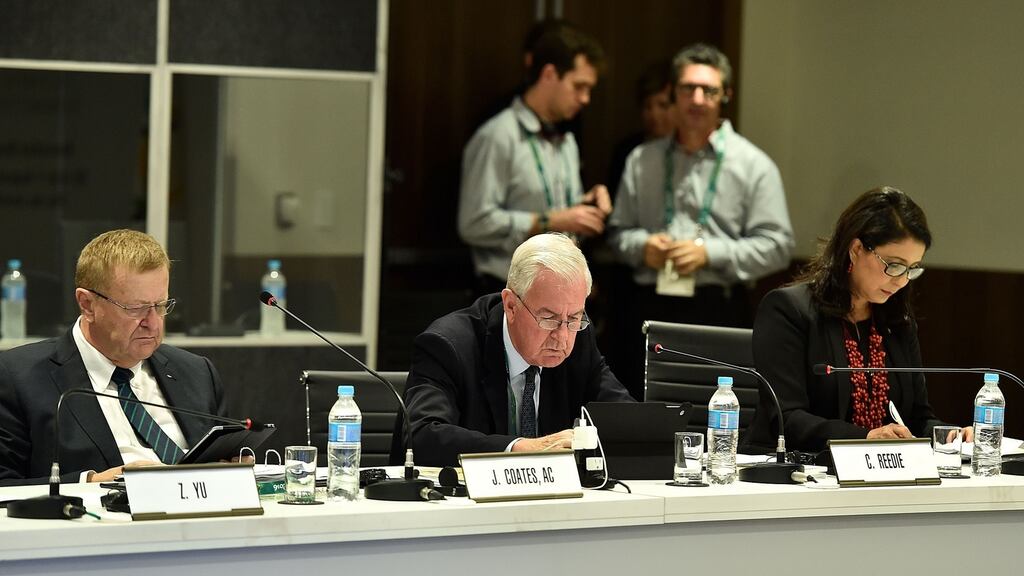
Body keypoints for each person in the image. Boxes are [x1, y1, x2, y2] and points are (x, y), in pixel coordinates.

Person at [606, 43, 793, 393]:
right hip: (647, 306)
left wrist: (709, 253)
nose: (697, 99)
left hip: (717, 307)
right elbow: (616, 234)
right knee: (641, 413)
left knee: (715, 415)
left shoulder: (754, 165)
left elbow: (778, 246)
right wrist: (642, 247)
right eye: (687, 88)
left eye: (708, 90)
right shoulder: (641, 159)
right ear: (673, 93)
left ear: (725, 95)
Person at [744, 187, 971, 453]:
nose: (901, 280)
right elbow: (786, 418)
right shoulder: (789, 310)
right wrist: (866, 438)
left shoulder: (898, 322)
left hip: (879, 473)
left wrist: (952, 437)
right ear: (856, 249)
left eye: (912, 269)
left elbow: (917, 419)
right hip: (794, 472)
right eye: (894, 265)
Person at [0, 229, 227, 485]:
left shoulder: (196, 373)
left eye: (161, 306)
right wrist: (90, 482)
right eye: (136, 308)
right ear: (87, 305)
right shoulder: (17, 378)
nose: (152, 323)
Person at [403, 233, 633, 466]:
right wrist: (522, 449)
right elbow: (420, 437)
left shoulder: (579, 336)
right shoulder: (449, 345)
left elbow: (628, 421)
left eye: (574, 317)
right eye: (548, 318)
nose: (562, 337)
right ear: (511, 306)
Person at [459, 24, 613, 295]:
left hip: (560, 292)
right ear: (549, 74)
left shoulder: (567, 141)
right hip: (505, 293)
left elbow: (561, 213)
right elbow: (474, 223)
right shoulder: (498, 135)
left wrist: (585, 208)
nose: (585, 99)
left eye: (589, 89)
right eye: (579, 87)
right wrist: (553, 221)